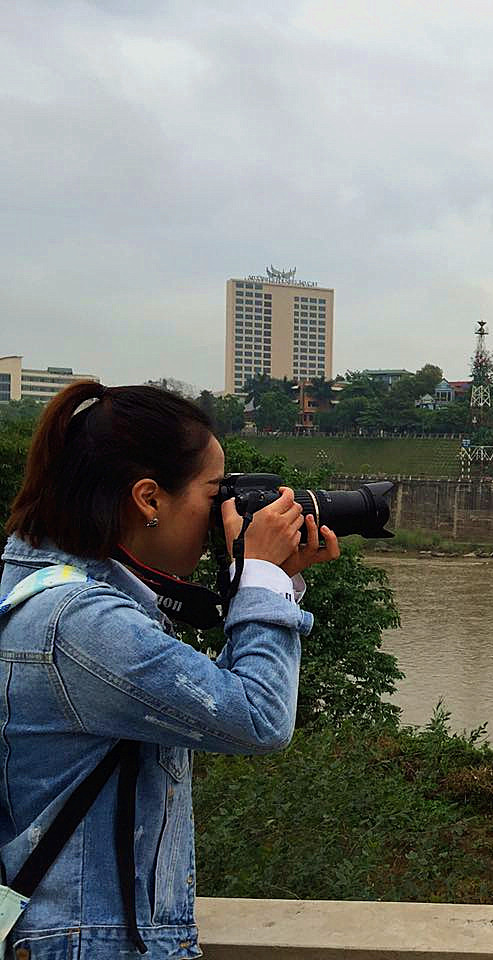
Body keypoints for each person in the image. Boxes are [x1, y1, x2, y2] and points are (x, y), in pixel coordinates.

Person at [0, 382, 338, 959]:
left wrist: (265, 580)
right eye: (214, 494)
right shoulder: (82, 623)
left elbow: (208, 705)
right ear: (149, 499)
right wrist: (263, 579)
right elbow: (257, 717)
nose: (222, 516)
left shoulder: (38, 587)